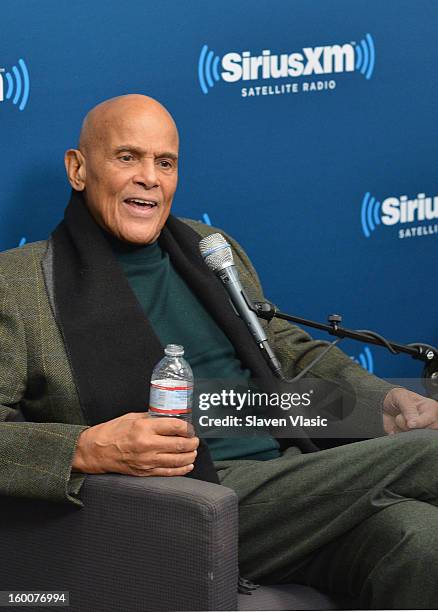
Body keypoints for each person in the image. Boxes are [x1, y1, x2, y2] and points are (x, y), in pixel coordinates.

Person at [0, 94, 437, 609]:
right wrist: (86, 447)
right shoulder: (18, 285)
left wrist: (379, 402)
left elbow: (288, 353)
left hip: (293, 481)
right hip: (187, 500)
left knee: (422, 538)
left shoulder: (210, 248)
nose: (149, 178)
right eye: (127, 157)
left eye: (165, 163)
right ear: (78, 169)